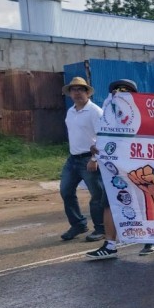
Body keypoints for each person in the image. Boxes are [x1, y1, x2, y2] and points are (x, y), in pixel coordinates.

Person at [86, 79, 154, 259]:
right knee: (110, 203)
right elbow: (102, 140)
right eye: (116, 92)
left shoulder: (143, 115)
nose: (120, 95)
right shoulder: (108, 117)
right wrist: (95, 153)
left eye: (125, 92)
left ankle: (152, 239)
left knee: (143, 203)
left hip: (137, 167)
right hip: (115, 170)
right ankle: (110, 245)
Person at [59, 76, 106, 242]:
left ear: (87, 92)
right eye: (74, 90)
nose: (77, 93)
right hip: (73, 159)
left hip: (89, 159)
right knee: (66, 191)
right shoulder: (70, 111)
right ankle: (78, 224)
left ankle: (101, 228)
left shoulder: (95, 112)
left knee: (97, 195)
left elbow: (103, 137)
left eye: (80, 89)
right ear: (70, 93)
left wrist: (94, 159)